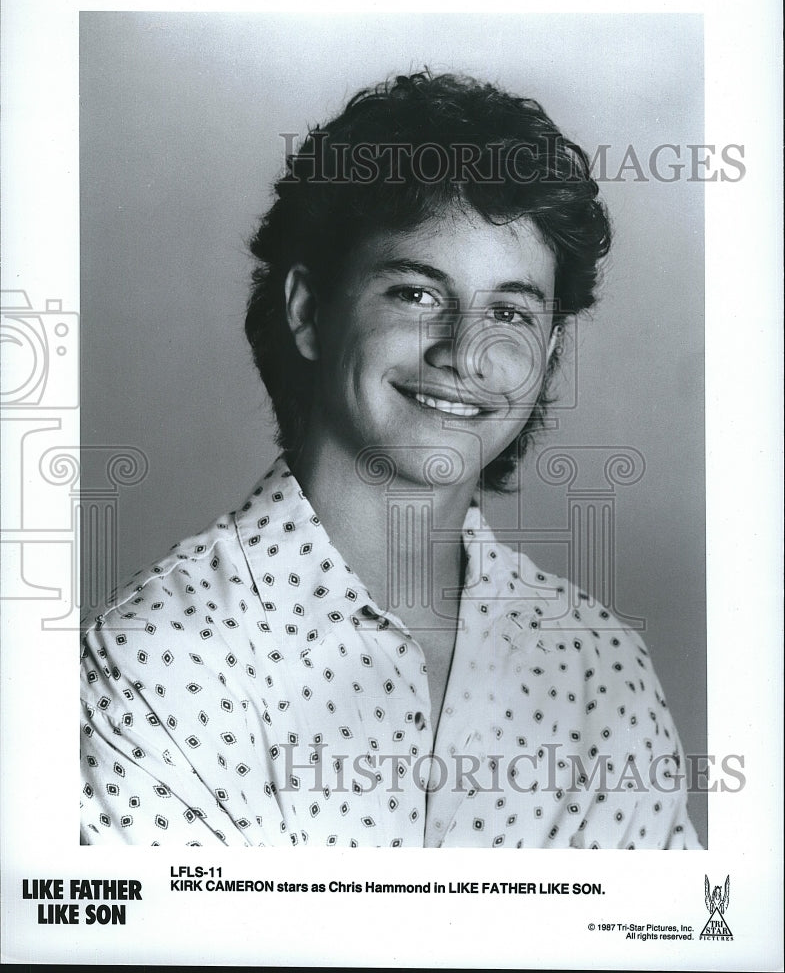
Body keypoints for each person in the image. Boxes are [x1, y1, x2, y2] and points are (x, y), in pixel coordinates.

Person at [80, 71, 701, 847]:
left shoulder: (600, 668)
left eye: (507, 311)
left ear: (544, 354)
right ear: (309, 312)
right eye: (415, 293)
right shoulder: (158, 658)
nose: (465, 351)